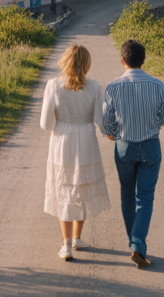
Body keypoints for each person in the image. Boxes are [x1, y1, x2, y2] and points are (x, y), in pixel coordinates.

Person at [102, 39, 164, 268]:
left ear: (122, 60)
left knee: (127, 194)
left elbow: (107, 123)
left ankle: (135, 243)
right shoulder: (157, 85)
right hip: (150, 144)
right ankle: (137, 246)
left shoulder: (113, 87)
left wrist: (113, 133)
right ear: (144, 59)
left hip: (124, 146)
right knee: (146, 197)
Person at [40, 44, 111, 261]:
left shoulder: (53, 85)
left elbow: (45, 123)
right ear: (86, 63)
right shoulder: (95, 86)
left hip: (62, 139)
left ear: (66, 61)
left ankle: (67, 245)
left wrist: (58, 126)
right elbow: (101, 121)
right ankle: (76, 238)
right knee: (80, 189)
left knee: (64, 191)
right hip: (86, 139)